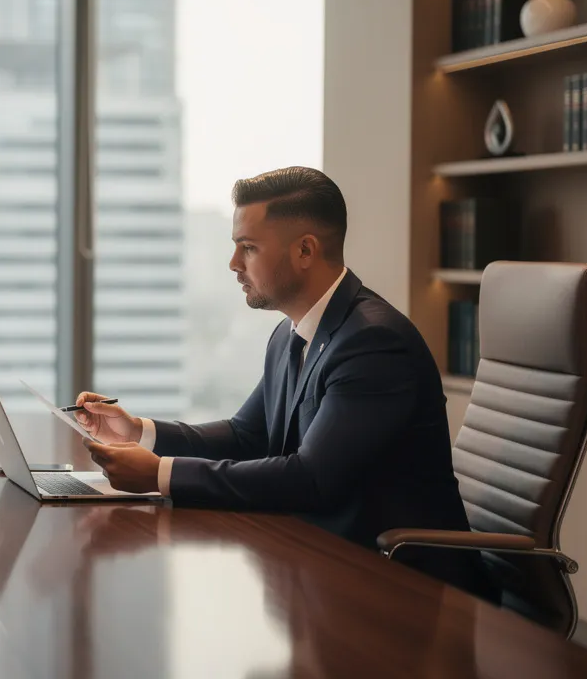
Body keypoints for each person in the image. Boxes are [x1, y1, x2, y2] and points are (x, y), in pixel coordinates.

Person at [75, 166, 486, 594]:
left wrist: (162, 474)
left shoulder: (373, 343)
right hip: (328, 565)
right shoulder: (291, 334)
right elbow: (247, 435)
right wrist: (139, 433)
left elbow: (311, 478)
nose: (233, 264)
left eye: (248, 248)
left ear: (305, 250)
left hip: (407, 586)